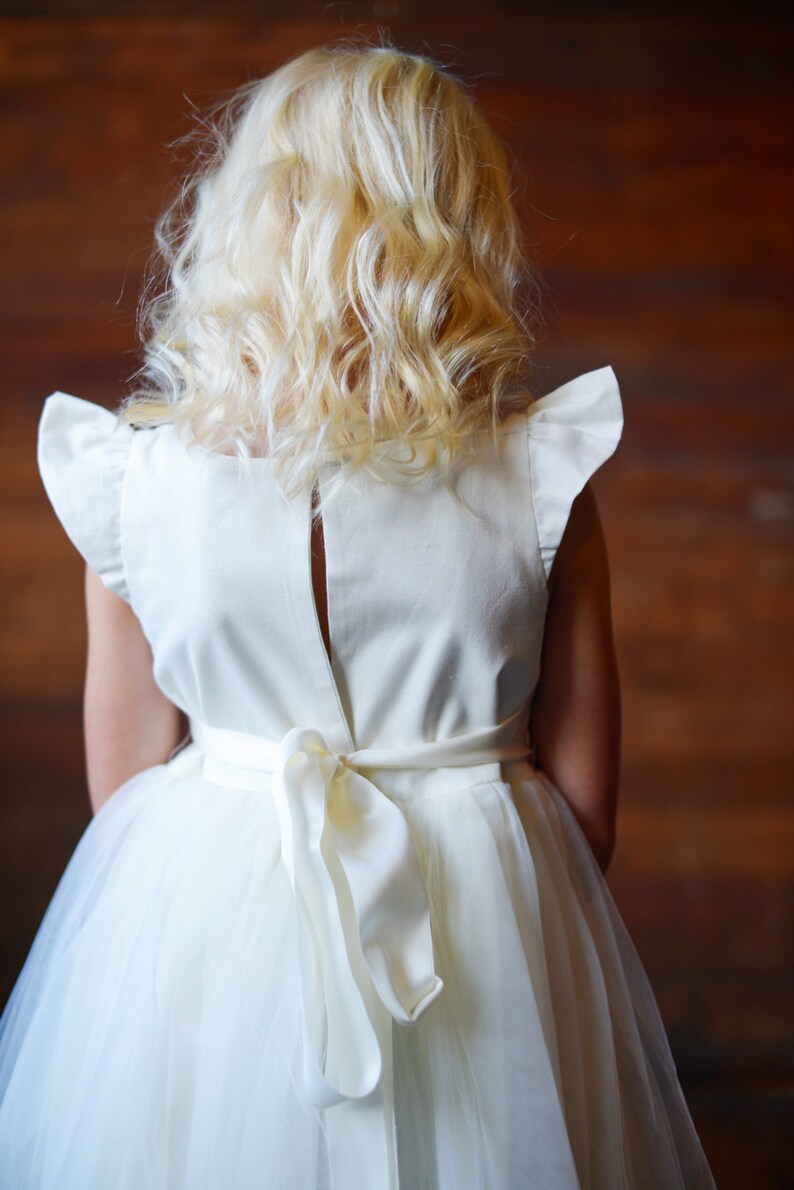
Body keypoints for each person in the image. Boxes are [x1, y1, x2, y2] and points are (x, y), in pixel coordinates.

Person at [0, 39, 716, 1190]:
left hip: (203, 949)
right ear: (459, 225)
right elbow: (585, 814)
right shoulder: (538, 478)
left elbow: (121, 791)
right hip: (475, 952)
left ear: (246, 214)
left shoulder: (139, 483)